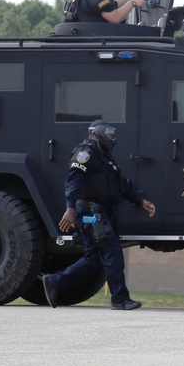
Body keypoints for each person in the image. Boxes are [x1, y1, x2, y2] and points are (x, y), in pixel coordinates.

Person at [43, 120, 156, 310]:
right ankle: (120, 299)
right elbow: (73, 181)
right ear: (97, 134)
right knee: (112, 252)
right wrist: (69, 210)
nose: (112, 139)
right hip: (90, 214)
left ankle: (55, 282)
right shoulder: (86, 153)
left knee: (94, 259)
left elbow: (120, 183)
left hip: (97, 213)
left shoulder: (104, 157)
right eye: (109, 134)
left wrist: (140, 200)